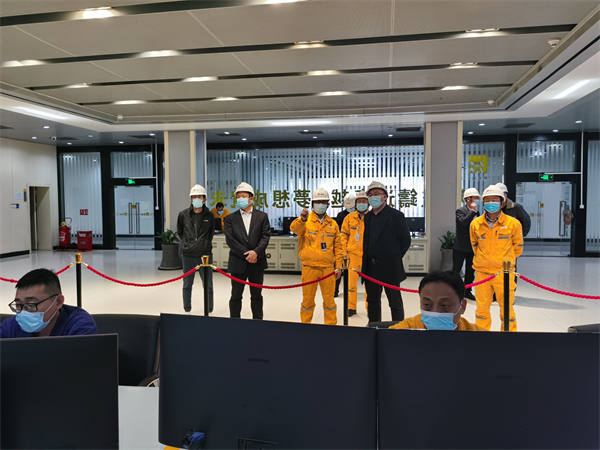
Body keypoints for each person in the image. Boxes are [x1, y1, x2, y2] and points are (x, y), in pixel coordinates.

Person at [470, 184, 523, 331]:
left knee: (506, 309)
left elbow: (518, 247)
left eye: (494, 200)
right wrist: (485, 260)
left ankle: (508, 338)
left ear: (502, 202)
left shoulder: (513, 224)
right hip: (482, 273)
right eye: (487, 200)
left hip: (504, 274)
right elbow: (474, 246)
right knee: (481, 310)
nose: (491, 203)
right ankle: (481, 335)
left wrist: (504, 260)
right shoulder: (475, 224)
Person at [290, 187, 342, 325]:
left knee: (329, 301)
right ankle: (305, 325)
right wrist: (301, 219)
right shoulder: (305, 221)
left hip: (328, 269)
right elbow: (295, 229)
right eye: (317, 202)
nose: (320, 204)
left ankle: (330, 326)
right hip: (309, 268)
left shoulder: (333, 224)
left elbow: (338, 247)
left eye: (323, 202)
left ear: (328, 204)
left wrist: (339, 266)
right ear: (312, 204)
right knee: (307, 301)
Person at [362, 181, 411, 323]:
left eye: (376, 194)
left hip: (390, 267)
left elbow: (405, 240)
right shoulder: (368, 217)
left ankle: (398, 328)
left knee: (395, 302)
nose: (373, 197)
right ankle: (374, 327)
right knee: (372, 301)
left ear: (385, 197)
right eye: (370, 195)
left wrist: (393, 256)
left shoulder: (396, 215)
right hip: (371, 267)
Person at [1, 268, 96, 338]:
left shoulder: (79, 325)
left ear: (58, 302)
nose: (23, 312)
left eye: (30, 305)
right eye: (18, 305)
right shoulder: (11, 326)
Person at [224, 182, 271, 320]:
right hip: (238, 262)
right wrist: (247, 254)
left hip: (257, 262)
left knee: (256, 295)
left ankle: (257, 322)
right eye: (238, 197)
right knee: (236, 295)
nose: (240, 199)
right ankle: (235, 323)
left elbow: (265, 237)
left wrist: (255, 252)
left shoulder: (262, 216)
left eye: (243, 196)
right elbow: (230, 240)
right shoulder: (230, 219)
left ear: (252, 198)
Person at [390, 271, 484, 330]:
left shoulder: (477, 337)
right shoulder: (407, 329)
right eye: (427, 304)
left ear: (462, 306)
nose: (435, 312)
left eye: (444, 305)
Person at [177, 184, 215, 313]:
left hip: (205, 255)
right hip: (188, 255)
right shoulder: (183, 215)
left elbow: (210, 234)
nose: (196, 199)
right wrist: (187, 244)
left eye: (199, 197)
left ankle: (209, 308)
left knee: (208, 284)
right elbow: (180, 232)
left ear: (204, 199)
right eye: (193, 197)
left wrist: (203, 244)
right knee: (187, 284)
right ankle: (187, 308)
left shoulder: (210, 215)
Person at [340, 190, 369, 316]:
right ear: (355, 203)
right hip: (352, 255)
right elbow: (343, 236)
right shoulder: (349, 218)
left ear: (368, 203)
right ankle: (351, 307)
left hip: (368, 256)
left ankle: (370, 307)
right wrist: (344, 252)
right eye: (359, 201)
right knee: (350, 283)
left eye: (364, 201)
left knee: (370, 285)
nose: (361, 203)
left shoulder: (372, 217)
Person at [453, 188, 480, 300]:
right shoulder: (460, 211)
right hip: (460, 247)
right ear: (468, 199)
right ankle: (454, 290)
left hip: (472, 247)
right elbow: (463, 223)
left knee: (470, 271)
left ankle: (467, 291)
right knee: (456, 270)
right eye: (475, 198)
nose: (477, 201)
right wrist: (472, 212)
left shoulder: (477, 212)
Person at [334, 192, 356, 297]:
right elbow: (337, 231)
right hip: (342, 247)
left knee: (352, 273)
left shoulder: (359, 215)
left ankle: (350, 291)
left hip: (355, 247)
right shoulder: (341, 215)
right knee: (339, 269)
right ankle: (335, 290)